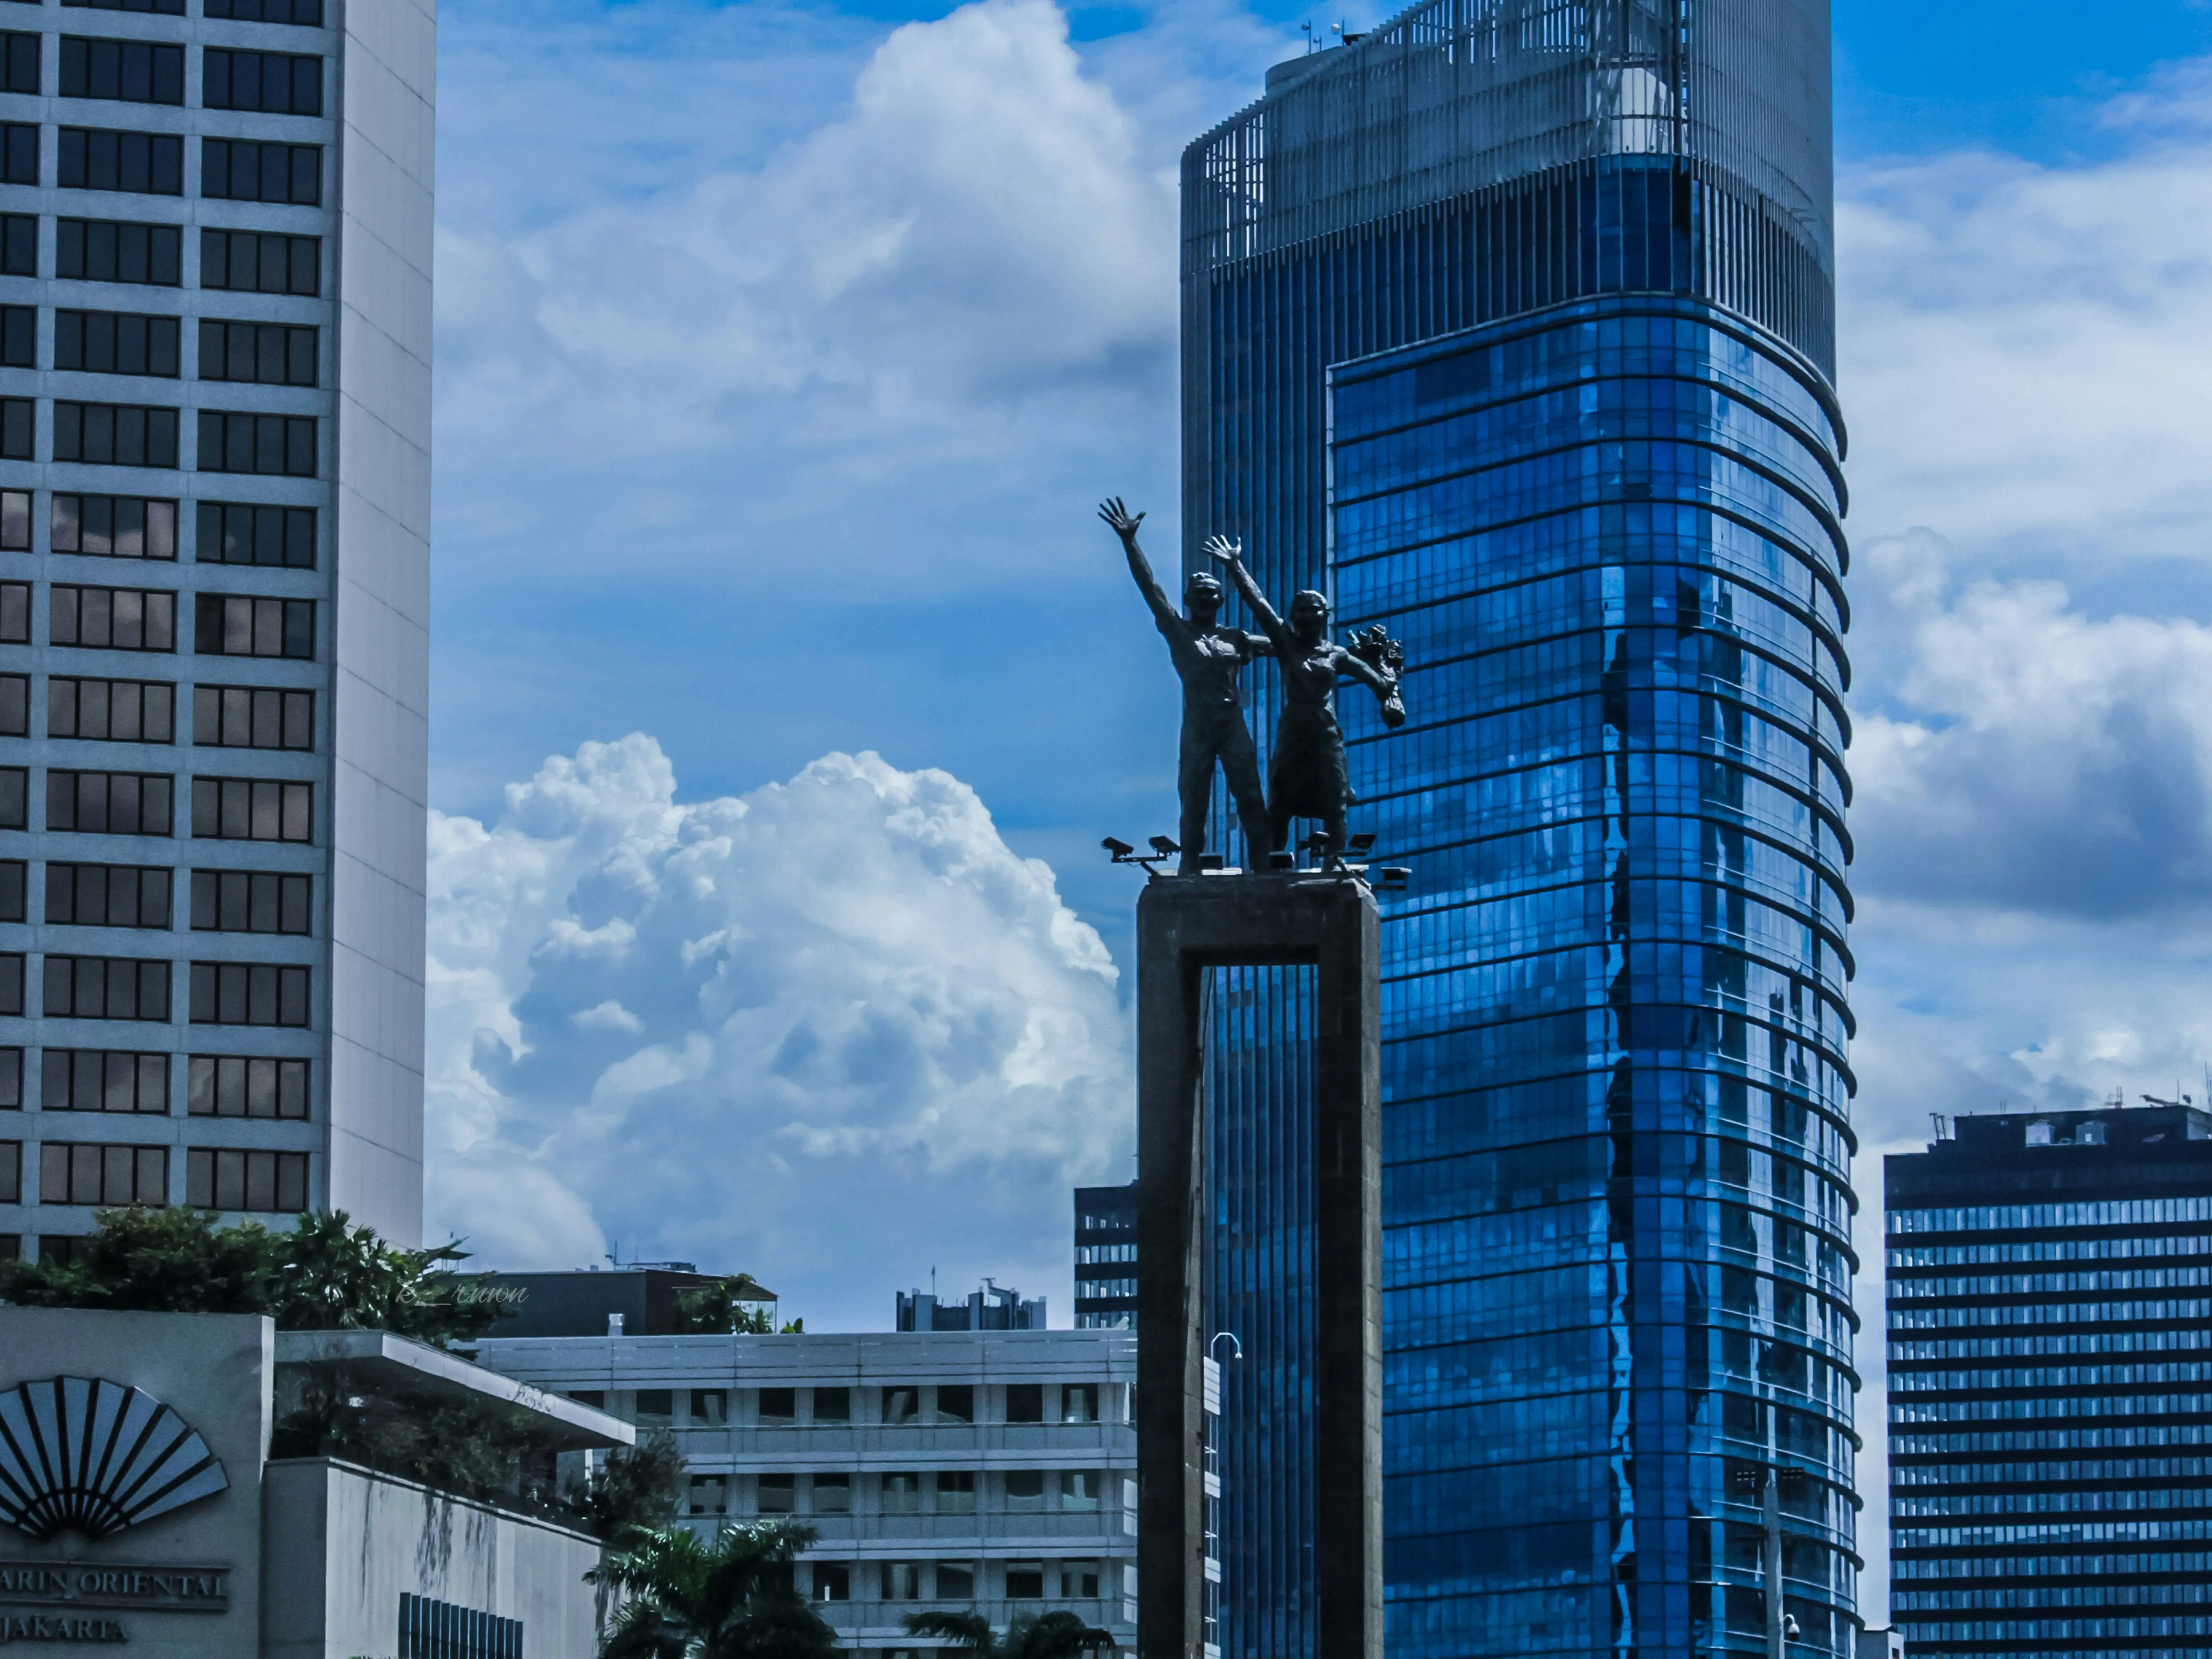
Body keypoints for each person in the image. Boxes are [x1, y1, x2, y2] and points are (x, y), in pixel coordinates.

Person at [1205, 535, 1405, 860]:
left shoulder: (1337, 655)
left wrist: (1390, 685)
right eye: (1303, 612)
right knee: (1282, 804)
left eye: (1316, 611)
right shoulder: (1286, 644)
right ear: (1295, 618)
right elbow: (1259, 605)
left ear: (1326, 617)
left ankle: (1335, 862)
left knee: (1335, 803)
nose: (1310, 617)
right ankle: (1273, 864)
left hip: (1326, 734)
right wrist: (1234, 565)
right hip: (1294, 732)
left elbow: (1380, 683)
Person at [1100, 498, 1273, 875]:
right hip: (1198, 726)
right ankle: (1189, 867)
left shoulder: (1236, 638)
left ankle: (1265, 866)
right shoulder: (1178, 632)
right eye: (1199, 594)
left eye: (1212, 593)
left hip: (1231, 724)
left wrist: (1236, 566)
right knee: (1193, 802)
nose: (1206, 598)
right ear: (1189, 601)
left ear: (1221, 600)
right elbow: (1150, 588)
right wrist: (1130, 542)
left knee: (1250, 798)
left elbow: (1285, 643)